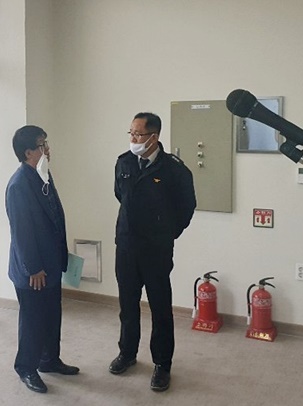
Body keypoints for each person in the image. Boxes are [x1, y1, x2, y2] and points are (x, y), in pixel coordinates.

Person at [110, 112, 196, 391]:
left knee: (160, 308)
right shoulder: (124, 162)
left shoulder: (173, 169)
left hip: (156, 250)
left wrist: (167, 233)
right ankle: (127, 353)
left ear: (154, 137)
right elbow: (120, 195)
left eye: (138, 134)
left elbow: (186, 207)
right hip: (126, 246)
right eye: (131, 133)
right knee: (127, 305)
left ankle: (162, 364)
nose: (133, 138)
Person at [5, 125, 79, 394]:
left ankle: (50, 360)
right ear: (28, 152)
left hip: (51, 262)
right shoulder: (19, 185)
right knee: (33, 320)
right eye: (42, 144)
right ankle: (26, 367)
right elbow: (22, 232)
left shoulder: (43, 175)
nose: (47, 149)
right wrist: (34, 268)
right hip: (33, 269)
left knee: (52, 315)